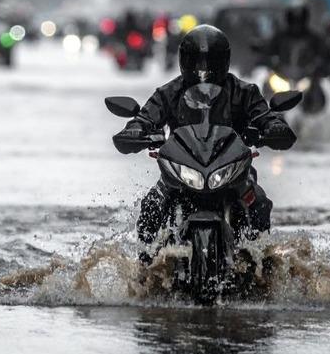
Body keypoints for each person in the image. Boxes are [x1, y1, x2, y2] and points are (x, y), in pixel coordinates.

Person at [112, 25, 296, 262]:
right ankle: (145, 266)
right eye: (196, 62)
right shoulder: (169, 92)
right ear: (184, 61)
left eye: (211, 62)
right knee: (151, 206)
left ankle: (262, 263)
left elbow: (264, 115)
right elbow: (146, 116)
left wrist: (273, 127)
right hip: (181, 170)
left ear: (224, 61)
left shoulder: (244, 92)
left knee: (258, 203)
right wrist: (136, 129)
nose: (203, 70)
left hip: (233, 170)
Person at [260, 0, 330, 82]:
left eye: (299, 18)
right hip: (282, 76)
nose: (296, 22)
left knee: (318, 89)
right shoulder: (279, 38)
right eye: (293, 18)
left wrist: (326, 64)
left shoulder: (313, 38)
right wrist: (266, 58)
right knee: (267, 85)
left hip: (308, 77)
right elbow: (267, 51)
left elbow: (325, 53)